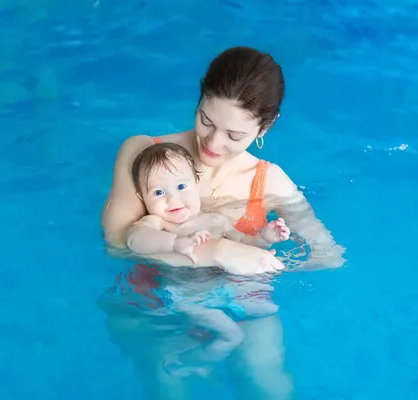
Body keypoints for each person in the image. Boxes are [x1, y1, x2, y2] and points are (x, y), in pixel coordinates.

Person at [100, 46, 345, 400]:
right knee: (168, 381)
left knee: (268, 384)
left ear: (266, 126)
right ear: (199, 99)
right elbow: (118, 244)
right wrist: (219, 250)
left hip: (243, 301)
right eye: (206, 120)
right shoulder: (145, 155)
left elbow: (328, 254)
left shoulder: (270, 181)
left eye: (234, 135)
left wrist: (266, 257)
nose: (212, 144)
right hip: (153, 296)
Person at [126, 141, 292, 377]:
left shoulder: (216, 220)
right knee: (232, 335)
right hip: (190, 297)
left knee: (266, 308)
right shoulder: (158, 224)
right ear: (141, 197)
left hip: (222, 286)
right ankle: (192, 362)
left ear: (197, 184)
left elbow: (243, 246)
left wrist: (265, 238)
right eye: (158, 192)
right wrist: (174, 242)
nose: (173, 200)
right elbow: (135, 239)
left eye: (181, 186)